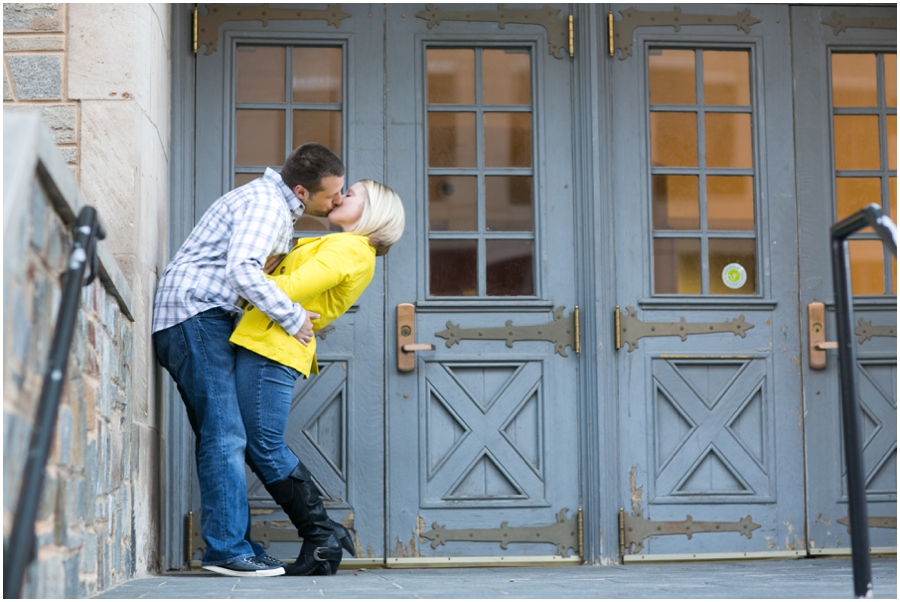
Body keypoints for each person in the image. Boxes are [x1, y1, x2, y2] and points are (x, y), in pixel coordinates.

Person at [151, 143, 345, 577]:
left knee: (223, 432)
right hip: (196, 314)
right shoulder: (267, 207)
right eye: (333, 194)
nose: (337, 201)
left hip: (200, 318)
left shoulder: (271, 201)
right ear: (301, 191)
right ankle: (226, 551)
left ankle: (235, 545)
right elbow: (242, 270)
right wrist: (293, 316)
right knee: (225, 434)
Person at [230, 179, 405, 576]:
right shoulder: (347, 248)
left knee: (265, 447)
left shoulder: (351, 248)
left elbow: (291, 287)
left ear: (372, 211)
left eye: (353, 193)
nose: (342, 196)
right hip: (267, 344)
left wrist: (236, 279)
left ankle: (322, 538)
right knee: (260, 445)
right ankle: (323, 536)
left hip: (270, 348)